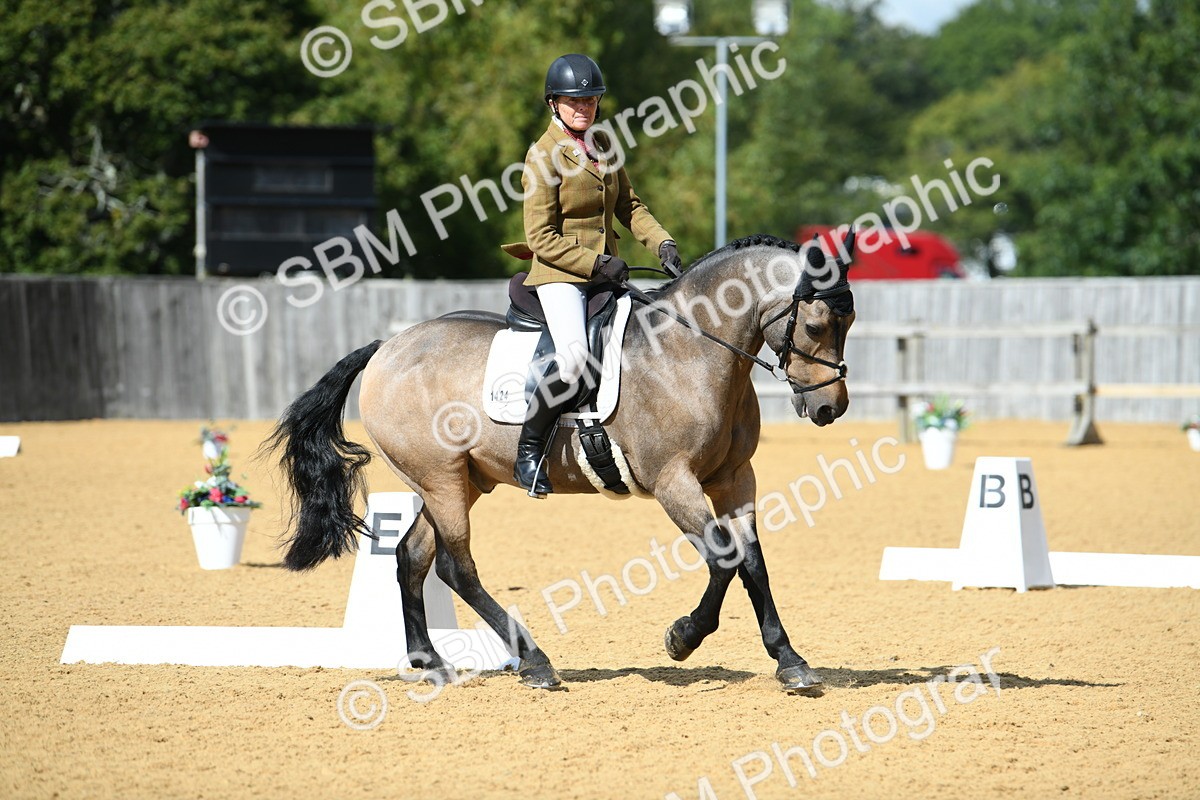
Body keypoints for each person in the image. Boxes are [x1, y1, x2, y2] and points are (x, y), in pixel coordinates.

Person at [503, 53, 682, 497]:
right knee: (574, 359)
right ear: (554, 104)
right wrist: (596, 264)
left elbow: (630, 206)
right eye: (573, 101)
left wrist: (661, 242)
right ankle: (529, 452)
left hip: (608, 274)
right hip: (562, 273)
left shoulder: (603, 144)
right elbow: (540, 236)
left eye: (590, 100)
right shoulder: (542, 155)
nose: (583, 108)